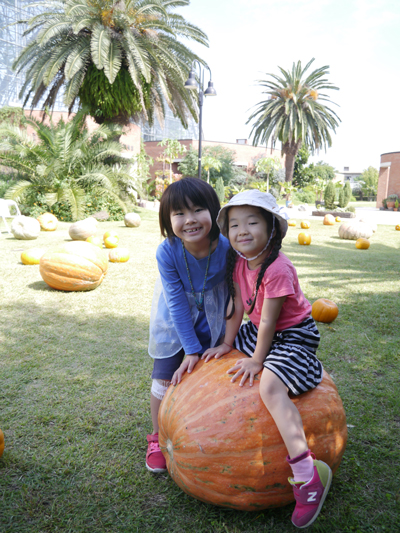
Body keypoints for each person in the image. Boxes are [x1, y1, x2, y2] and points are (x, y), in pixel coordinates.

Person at [202, 190, 332, 529]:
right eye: (234, 225)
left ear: (272, 228)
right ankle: (270, 363)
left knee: (271, 389)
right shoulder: (239, 263)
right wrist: (227, 344)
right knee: (224, 352)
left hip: (293, 337)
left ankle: (307, 477)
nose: (242, 230)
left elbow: (272, 324)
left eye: (253, 222)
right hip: (261, 331)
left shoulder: (278, 268)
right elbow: (237, 309)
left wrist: (258, 361)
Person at [146, 177, 230, 473]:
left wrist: (224, 341)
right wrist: (190, 349)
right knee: (164, 378)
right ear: (168, 220)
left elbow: (236, 297)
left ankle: (199, 431)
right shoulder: (167, 251)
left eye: (198, 210)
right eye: (179, 213)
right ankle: (157, 437)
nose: (190, 220)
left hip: (213, 315)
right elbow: (176, 303)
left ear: (214, 211)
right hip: (174, 318)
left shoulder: (227, 247)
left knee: (204, 376)